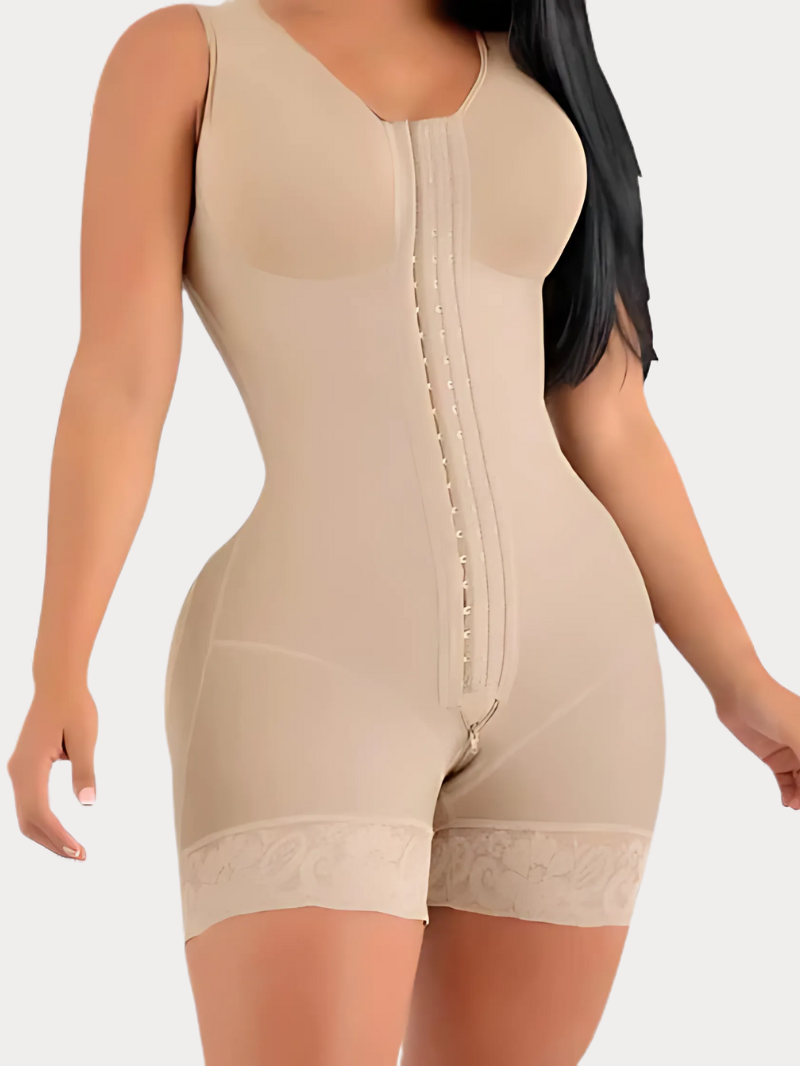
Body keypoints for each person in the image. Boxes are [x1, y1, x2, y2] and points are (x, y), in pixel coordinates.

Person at [7, 0, 800, 1063]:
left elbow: (610, 419)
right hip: (306, 664)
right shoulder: (183, 56)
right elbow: (120, 383)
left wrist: (741, 681)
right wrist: (59, 661)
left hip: (583, 681)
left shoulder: (539, 53)